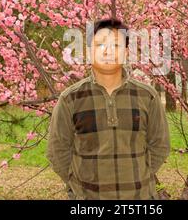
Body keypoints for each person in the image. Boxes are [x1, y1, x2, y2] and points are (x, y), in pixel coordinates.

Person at [46, 18, 170, 200]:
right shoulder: (71, 98)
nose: (108, 51)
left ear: (126, 52)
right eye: (100, 44)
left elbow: (160, 145)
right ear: (89, 51)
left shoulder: (147, 96)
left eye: (116, 45)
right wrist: (78, 185)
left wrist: (139, 174)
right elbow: (57, 150)